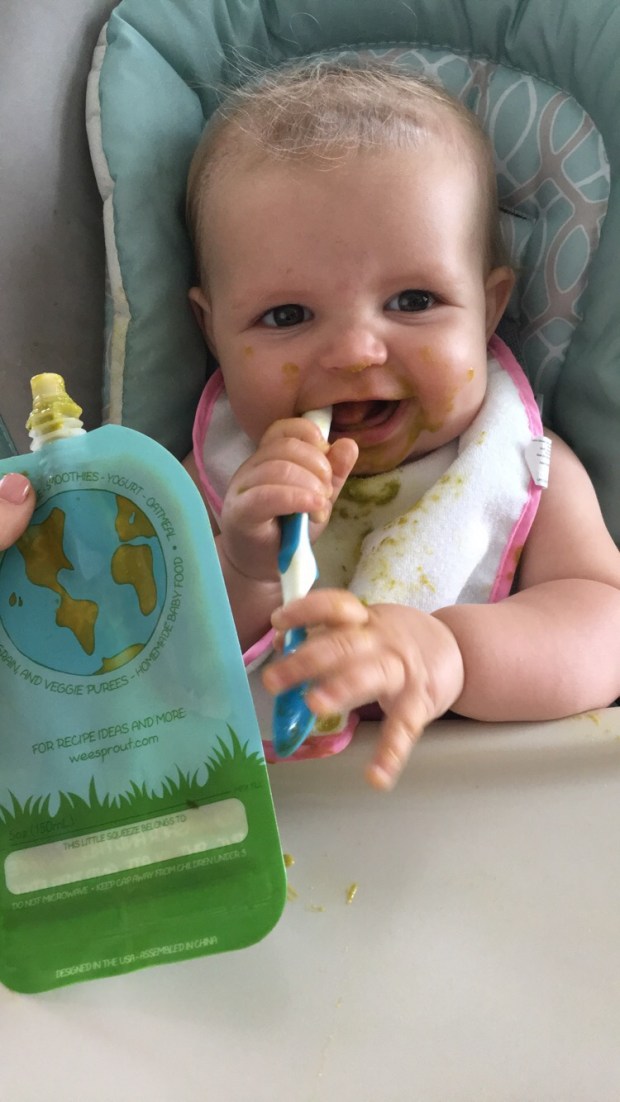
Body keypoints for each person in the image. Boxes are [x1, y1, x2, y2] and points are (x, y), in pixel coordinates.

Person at [181, 58, 620, 790]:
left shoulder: (518, 464)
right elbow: (156, 677)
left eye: (413, 301)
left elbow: (606, 628)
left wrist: (452, 653)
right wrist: (246, 571)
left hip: (481, 810)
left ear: (489, 308)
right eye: (287, 315)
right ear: (212, 332)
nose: (356, 352)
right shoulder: (205, 486)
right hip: (279, 818)